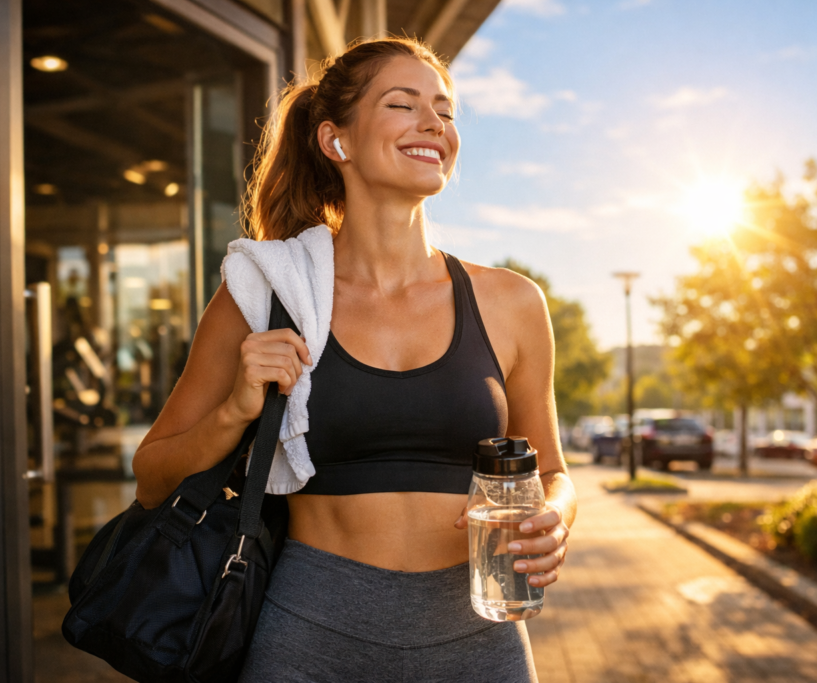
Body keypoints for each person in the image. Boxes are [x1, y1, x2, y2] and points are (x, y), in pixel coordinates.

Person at [131, 37, 576, 682]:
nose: (434, 125)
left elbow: (554, 471)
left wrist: (555, 518)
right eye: (404, 104)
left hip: (480, 633)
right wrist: (234, 412)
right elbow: (151, 477)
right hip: (311, 636)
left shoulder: (512, 303)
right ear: (336, 140)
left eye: (446, 112)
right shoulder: (269, 291)